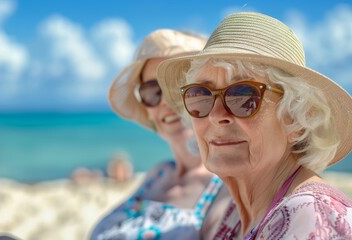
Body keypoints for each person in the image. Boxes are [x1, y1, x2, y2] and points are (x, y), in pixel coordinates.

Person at [157, 12, 352, 239]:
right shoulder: (234, 214)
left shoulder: (313, 214)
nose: (216, 116)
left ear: (298, 120)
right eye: (201, 95)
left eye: (243, 96)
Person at [90, 29, 231, 240]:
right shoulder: (159, 173)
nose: (166, 101)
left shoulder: (226, 188)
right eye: (153, 91)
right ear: (146, 106)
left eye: (178, 86)